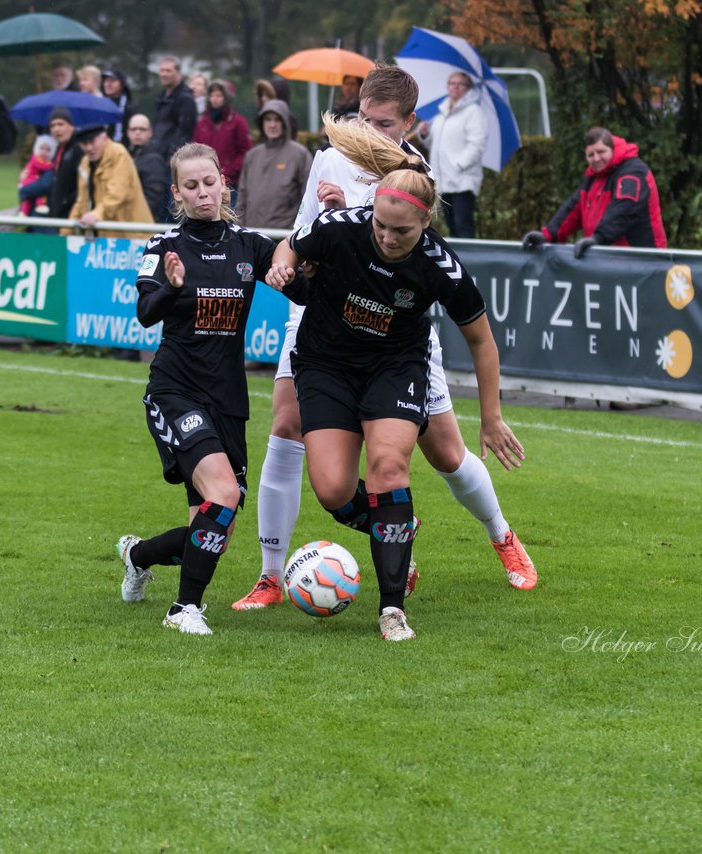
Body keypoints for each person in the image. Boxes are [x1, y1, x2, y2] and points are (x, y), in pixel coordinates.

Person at [233, 64, 537, 612]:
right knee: (285, 421)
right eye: (363, 119)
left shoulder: (414, 172)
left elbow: (413, 252)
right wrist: (310, 240)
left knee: (444, 449)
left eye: (384, 123)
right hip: (324, 310)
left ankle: (501, 535)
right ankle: (271, 575)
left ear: (410, 124)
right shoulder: (329, 157)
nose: (370, 132)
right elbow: (301, 238)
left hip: (396, 324)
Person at [115, 142, 277, 636]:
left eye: (209, 182)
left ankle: (138, 555)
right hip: (175, 389)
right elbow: (145, 314)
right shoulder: (163, 245)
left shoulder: (249, 244)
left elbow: (302, 287)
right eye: (191, 186)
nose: (203, 192)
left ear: (222, 182)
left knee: (211, 531)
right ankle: (183, 610)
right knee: (224, 496)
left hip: (227, 397)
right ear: (176, 193)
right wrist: (173, 289)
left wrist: (298, 265)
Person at [522, 126, 667, 257]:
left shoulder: (633, 172)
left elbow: (623, 210)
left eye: (601, 152)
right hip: (609, 263)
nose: (596, 158)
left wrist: (598, 238)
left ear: (612, 149)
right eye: (591, 155)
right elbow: (572, 210)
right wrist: (548, 235)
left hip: (643, 264)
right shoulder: (593, 178)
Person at [415, 71, 487, 238]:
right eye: (452, 83)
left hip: (463, 181)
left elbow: (477, 145)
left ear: (468, 89)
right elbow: (435, 145)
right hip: (443, 180)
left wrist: (458, 165)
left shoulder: (474, 112)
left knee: (463, 226)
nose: (455, 86)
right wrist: (425, 134)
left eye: (460, 83)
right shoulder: (441, 114)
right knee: (452, 227)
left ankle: (467, 262)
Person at [234, 99, 310, 229]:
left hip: (284, 237)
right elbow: (242, 197)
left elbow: (308, 199)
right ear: (262, 123)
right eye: (268, 119)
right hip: (253, 235)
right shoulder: (252, 156)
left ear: (285, 122)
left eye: (277, 120)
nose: (272, 124)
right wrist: (238, 229)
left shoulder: (300, 155)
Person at [66, 124, 153, 238]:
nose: (88, 148)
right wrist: (66, 231)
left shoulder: (119, 154)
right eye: (84, 144)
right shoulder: (84, 162)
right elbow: (81, 201)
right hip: (102, 238)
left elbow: (117, 193)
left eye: (92, 141)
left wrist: (96, 215)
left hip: (130, 237)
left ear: (105, 137)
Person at [192, 80, 250, 207]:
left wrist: (228, 171)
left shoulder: (238, 122)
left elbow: (245, 152)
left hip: (230, 184)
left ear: (226, 98)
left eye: (219, 95)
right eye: (212, 95)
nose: (215, 99)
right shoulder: (203, 123)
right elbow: (195, 150)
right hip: (205, 182)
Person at [126, 114, 171, 223]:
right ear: (128, 132)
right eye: (133, 129)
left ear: (150, 132)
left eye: (142, 129)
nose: (137, 132)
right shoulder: (125, 156)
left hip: (144, 222)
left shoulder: (155, 159)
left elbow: (154, 200)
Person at [153, 55, 197, 159]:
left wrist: (172, 154)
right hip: (158, 155)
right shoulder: (161, 97)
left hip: (172, 158)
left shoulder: (186, 99)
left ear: (178, 73)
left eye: (168, 71)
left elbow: (185, 132)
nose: (164, 74)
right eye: (162, 70)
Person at [18, 135, 56, 216]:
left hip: (31, 180)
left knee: (29, 199)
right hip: (30, 179)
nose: (44, 152)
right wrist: (52, 165)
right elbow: (42, 166)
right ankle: (39, 205)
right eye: (41, 148)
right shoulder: (36, 158)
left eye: (48, 150)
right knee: (38, 192)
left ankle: (24, 212)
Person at [101, 69, 137, 143]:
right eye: (106, 81)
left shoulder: (128, 106)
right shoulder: (99, 104)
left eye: (112, 81)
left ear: (122, 84)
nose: (108, 84)